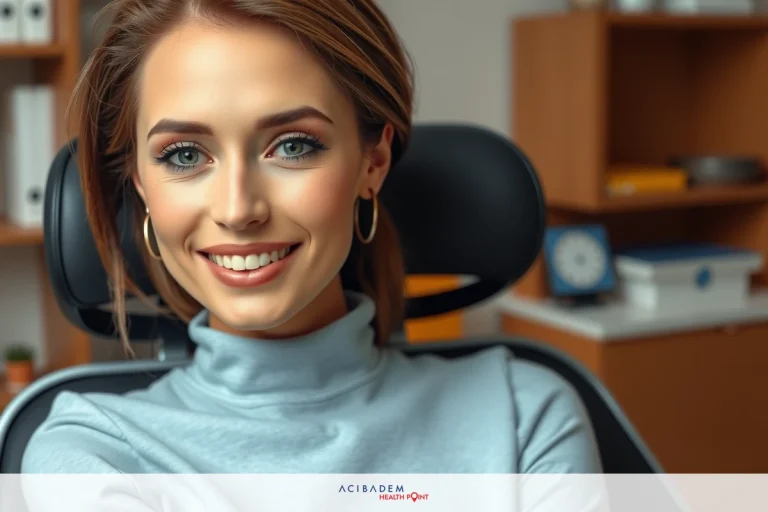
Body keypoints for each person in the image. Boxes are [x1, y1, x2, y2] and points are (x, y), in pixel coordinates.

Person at [22, 0, 602, 477]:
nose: (237, 209)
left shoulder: (523, 417)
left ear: (372, 161)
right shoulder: (90, 454)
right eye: (184, 155)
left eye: (293, 145)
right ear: (142, 185)